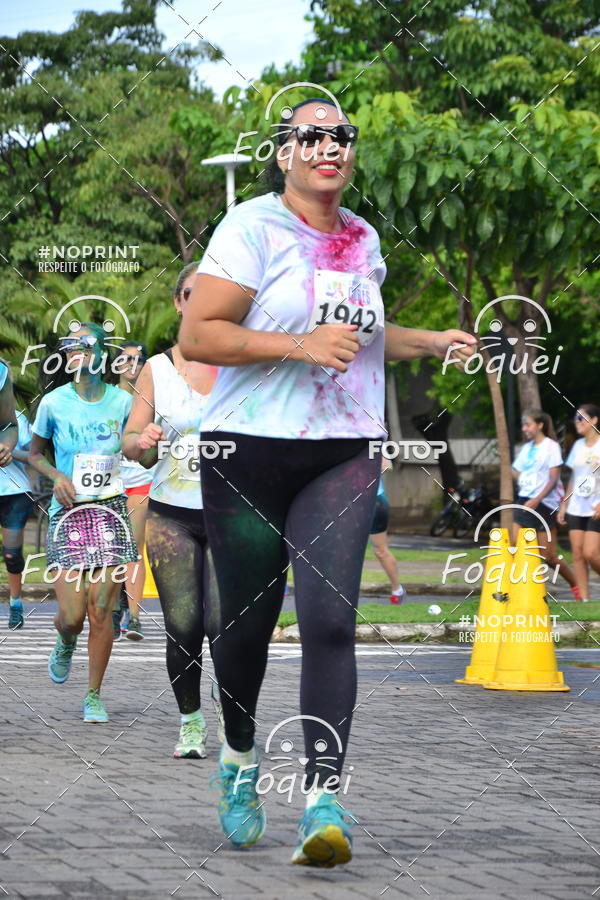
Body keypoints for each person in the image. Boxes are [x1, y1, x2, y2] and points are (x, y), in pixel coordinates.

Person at [178, 97, 475, 866]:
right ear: (285, 154)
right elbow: (199, 333)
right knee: (243, 631)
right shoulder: (250, 228)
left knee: (331, 621)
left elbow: (365, 336)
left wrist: (431, 340)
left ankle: (322, 801)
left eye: (340, 135)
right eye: (309, 135)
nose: (327, 146)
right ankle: (240, 758)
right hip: (248, 452)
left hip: (342, 450)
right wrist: (298, 346)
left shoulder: (363, 239)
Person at [122, 263, 222, 759]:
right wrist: (140, 441)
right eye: (192, 293)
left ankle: (231, 705)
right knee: (183, 623)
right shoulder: (157, 369)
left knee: (225, 624)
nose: (202, 301)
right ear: (179, 302)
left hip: (235, 517)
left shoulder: (245, 364)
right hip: (171, 515)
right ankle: (190, 722)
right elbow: (128, 443)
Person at [28, 324, 138, 723]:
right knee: (73, 616)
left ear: (101, 353)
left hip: (110, 512)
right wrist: (56, 476)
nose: (76, 352)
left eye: (85, 346)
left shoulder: (122, 403)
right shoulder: (54, 403)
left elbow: (140, 452)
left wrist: (147, 447)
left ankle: (93, 694)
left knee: (102, 610)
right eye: (70, 347)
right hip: (69, 515)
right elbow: (34, 453)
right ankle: (64, 639)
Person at [512, 409, 578, 597]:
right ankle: (524, 593)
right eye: (523, 425)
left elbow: (553, 479)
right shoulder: (526, 448)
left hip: (545, 504)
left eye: (528, 424)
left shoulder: (551, 447)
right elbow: (517, 472)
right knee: (515, 547)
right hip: (524, 500)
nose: (524, 428)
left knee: (548, 556)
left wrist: (537, 499)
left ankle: (576, 586)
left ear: (540, 425)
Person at [113, 340, 153, 641]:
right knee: (110, 551)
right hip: (107, 481)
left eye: (138, 360)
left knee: (133, 548)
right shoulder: (105, 397)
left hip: (140, 478)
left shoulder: (151, 399)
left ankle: (135, 616)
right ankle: (115, 608)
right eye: (126, 359)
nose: (132, 365)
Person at [557, 404, 600, 602]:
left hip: (596, 507)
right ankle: (584, 601)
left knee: (591, 553)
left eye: (580, 419)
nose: (577, 423)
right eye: (575, 419)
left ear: (594, 420)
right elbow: (574, 478)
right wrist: (564, 504)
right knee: (577, 555)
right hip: (576, 506)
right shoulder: (577, 446)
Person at [0, 363, 25, 628]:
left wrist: (7, 450)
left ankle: (16, 603)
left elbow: (31, 454)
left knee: (12, 554)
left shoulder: (20, 418)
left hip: (13, 492)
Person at [370, 460, 405, 604]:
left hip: (375, 501)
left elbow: (386, 466)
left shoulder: (374, 439)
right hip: (347, 502)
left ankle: (397, 590)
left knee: (381, 551)